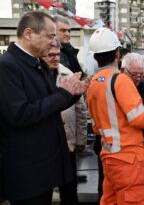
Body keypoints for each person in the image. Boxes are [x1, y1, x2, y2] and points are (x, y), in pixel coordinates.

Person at [0, 11, 89, 205]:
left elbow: (51, 103)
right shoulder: (7, 66)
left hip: (44, 169)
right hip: (27, 174)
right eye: (50, 36)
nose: (52, 43)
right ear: (29, 33)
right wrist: (64, 93)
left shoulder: (36, 64)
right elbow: (20, 114)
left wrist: (74, 94)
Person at [86, 27, 144, 205]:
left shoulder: (94, 82)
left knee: (110, 199)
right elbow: (138, 117)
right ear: (117, 54)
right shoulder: (121, 80)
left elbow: (94, 125)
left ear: (94, 56)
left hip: (108, 156)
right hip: (129, 158)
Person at [41, 43, 88, 205]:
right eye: (51, 55)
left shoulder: (67, 74)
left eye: (58, 54)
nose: (55, 58)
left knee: (69, 188)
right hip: (45, 144)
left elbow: (81, 110)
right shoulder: (37, 76)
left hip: (68, 142)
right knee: (44, 189)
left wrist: (81, 138)